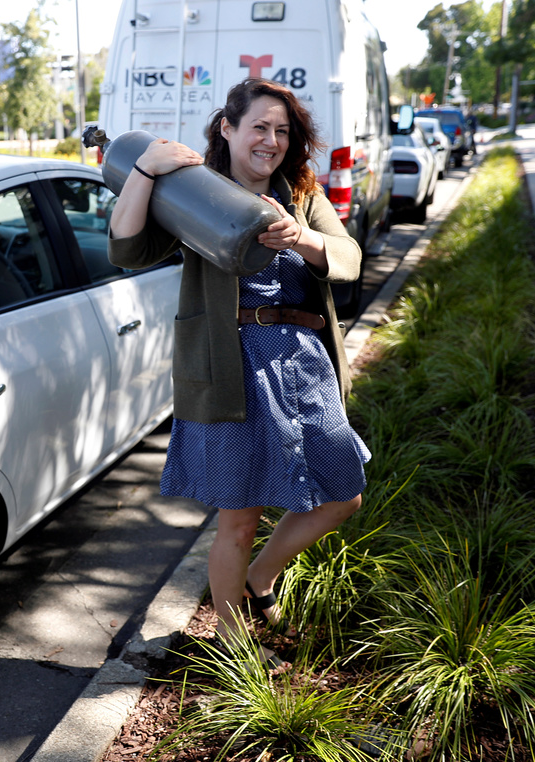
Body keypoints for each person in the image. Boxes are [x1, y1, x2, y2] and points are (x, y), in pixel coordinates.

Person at [107, 78, 368, 671]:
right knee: (239, 518)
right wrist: (145, 171)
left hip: (303, 362)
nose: (271, 141)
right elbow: (126, 249)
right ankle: (234, 647)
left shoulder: (301, 194)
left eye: (282, 131)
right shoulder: (196, 194)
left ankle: (259, 578)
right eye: (259, 127)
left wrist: (302, 237)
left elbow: (348, 259)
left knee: (343, 494)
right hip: (231, 366)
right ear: (227, 128)